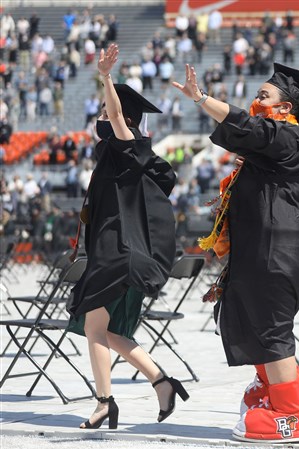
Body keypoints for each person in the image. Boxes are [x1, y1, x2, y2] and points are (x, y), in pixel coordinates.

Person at [172, 61, 299, 443]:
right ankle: (283, 387)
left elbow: (248, 127)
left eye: (265, 96)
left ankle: (295, 417)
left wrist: (200, 98)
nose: (256, 100)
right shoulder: (278, 144)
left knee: (271, 327)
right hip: (266, 249)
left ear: (286, 107)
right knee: (248, 318)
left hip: (280, 251)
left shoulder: (290, 138)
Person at [67, 44, 187, 430]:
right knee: (106, 331)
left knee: (95, 328)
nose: (101, 117)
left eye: (105, 111)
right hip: (115, 249)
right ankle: (161, 381)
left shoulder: (129, 145)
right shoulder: (117, 153)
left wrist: (105, 77)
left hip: (117, 251)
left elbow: (118, 115)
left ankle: (105, 402)